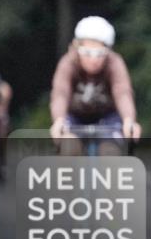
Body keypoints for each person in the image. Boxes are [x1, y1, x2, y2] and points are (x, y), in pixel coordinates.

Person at [49, 16, 141, 155]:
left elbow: (122, 92)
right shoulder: (68, 63)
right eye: (87, 52)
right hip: (75, 116)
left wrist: (129, 120)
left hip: (108, 117)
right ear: (76, 47)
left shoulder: (114, 63)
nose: (93, 59)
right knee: (68, 147)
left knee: (111, 153)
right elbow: (61, 93)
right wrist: (59, 119)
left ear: (108, 50)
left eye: (99, 53)